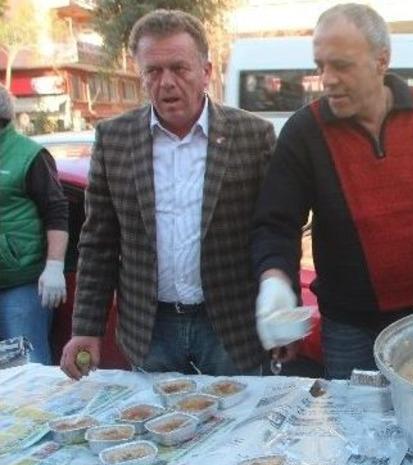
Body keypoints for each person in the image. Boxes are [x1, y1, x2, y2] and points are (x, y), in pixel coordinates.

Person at [251, 3, 413, 380]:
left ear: (381, 60)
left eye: (342, 65)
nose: (327, 78)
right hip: (349, 326)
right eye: (321, 66)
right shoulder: (305, 132)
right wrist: (274, 282)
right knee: (355, 425)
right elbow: (277, 222)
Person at [59, 9, 276, 379]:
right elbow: (99, 242)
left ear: (206, 72)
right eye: (153, 72)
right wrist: (86, 328)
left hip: (229, 327)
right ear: (141, 74)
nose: (167, 83)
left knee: (237, 429)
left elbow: (272, 229)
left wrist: (276, 307)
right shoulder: (115, 138)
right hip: (150, 329)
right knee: (160, 431)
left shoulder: (252, 135)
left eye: (179, 68)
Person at [0, 85, 68, 364]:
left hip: (22, 284)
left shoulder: (28, 155)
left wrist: (54, 267)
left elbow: (57, 211)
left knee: (28, 370)